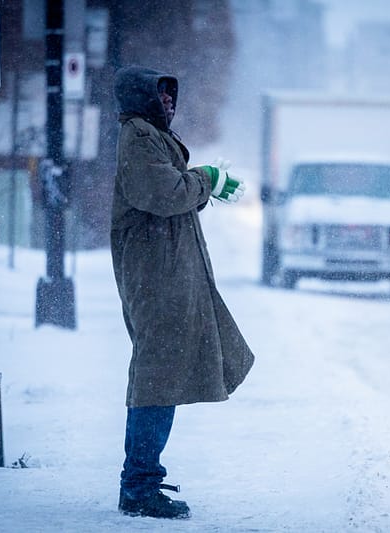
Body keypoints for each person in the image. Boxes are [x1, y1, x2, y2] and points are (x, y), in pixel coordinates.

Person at [110, 64, 254, 520]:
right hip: (155, 279)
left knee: (165, 374)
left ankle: (142, 480)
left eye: (172, 95)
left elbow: (170, 189)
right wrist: (206, 178)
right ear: (142, 98)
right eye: (161, 95)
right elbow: (164, 193)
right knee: (158, 376)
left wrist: (204, 185)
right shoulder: (137, 136)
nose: (169, 103)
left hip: (165, 275)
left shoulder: (149, 136)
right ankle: (138, 486)